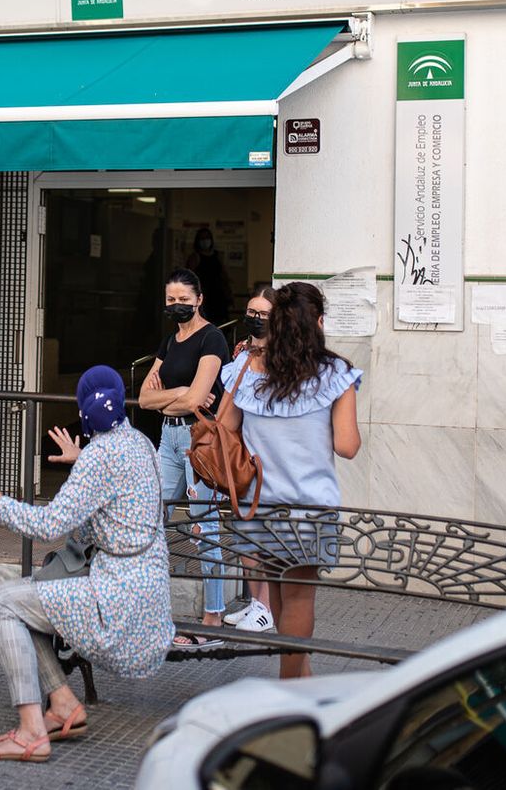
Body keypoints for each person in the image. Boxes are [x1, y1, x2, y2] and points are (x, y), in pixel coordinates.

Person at [0, 366, 173, 763]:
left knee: (4, 601)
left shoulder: (99, 457)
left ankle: (30, 733)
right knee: (32, 595)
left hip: (119, 610)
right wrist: (83, 461)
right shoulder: (141, 442)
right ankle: (62, 705)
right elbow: (119, 498)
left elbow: (49, 525)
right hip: (151, 602)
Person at [216, 281, 361, 678]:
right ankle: (291, 683)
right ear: (318, 321)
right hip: (309, 508)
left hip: (258, 504)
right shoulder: (336, 375)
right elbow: (348, 446)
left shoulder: (248, 371)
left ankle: (299, 677)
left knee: (279, 593)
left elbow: (225, 429)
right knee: (298, 599)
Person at [137, 268, 229, 647]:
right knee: (149, 518)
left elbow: (198, 401)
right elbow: (144, 398)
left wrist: (174, 401)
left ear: (199, 299)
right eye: (170, 300)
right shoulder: (169, 342)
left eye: (183, 300)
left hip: (199, 442)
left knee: (203, 528)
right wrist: (179, 392)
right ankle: (148, 607)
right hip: (168, 440)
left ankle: (213, 619)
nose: (176, 306)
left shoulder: (213, 339)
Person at [220, 285, 277, 634]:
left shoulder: (284, 359)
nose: (255, 318)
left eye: (264, 314)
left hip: (270, 461)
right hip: (243, 456)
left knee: (265, 536)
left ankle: (267, 607)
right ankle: (256, 604)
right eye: (251, 312)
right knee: (245, 534)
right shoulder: (242, 356)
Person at [185, 227, 233, 326]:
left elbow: (224, 276)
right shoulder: (195, 257)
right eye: (202, 239)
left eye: (207, 238)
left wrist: (229, 293)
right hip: (204, 297)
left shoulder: (217, 256)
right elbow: (189, 279)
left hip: (218, 296)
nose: (205, 241)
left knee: (221, 325)